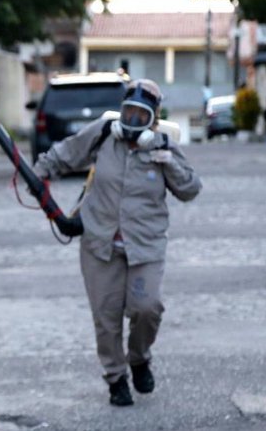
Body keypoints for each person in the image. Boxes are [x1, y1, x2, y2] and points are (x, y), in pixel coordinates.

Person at [32, 79, 202, 407]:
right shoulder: (103, 133)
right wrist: (39, 174)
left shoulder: (163, 145)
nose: (133, 121)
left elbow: (191, 189)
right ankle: (116, 378)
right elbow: (65, 153)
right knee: (106, 317)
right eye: (129, 113)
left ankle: (139, 358)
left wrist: (168, 161)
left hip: (146, 246)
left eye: (142, 115)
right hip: (100, 244)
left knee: (147, 308)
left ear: (153, 119)